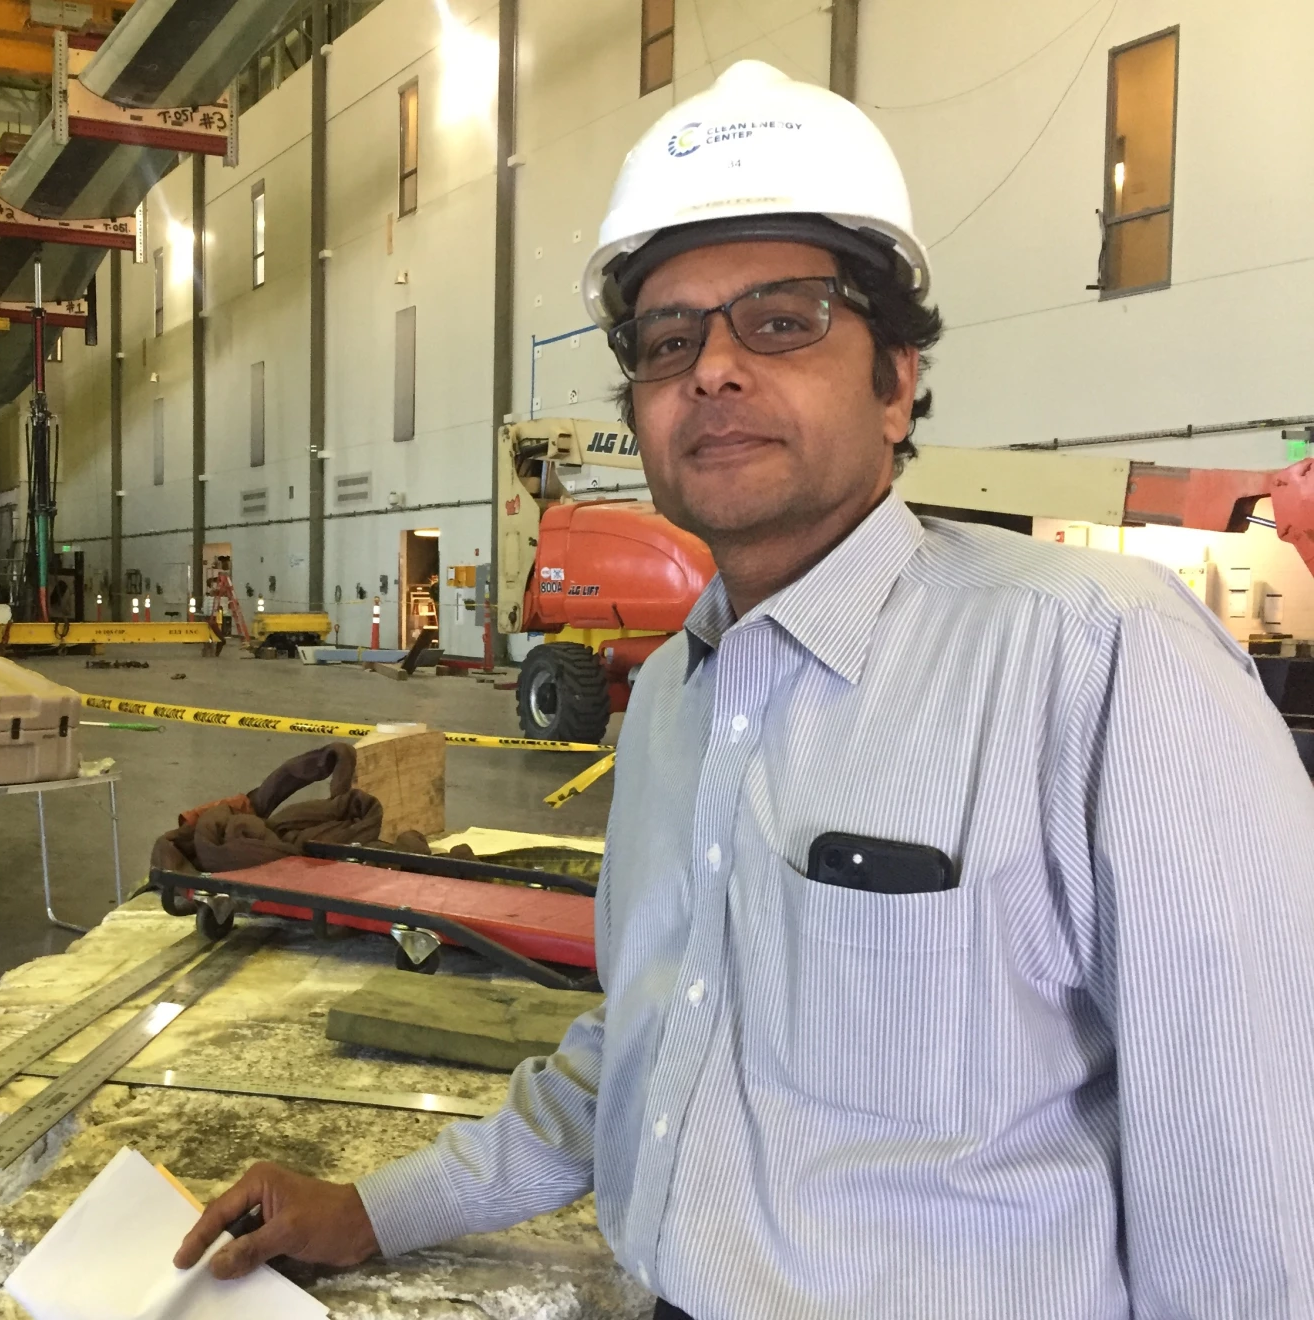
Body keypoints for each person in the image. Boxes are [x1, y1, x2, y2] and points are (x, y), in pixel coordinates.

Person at [174, 61, 1314, 1318]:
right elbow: (645, 1048)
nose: (710, 370)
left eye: (781, 320)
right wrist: (378, 1208)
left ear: (895, 383)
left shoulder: (1100, 663)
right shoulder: (669, 701)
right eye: (668, 342)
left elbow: (1250, 1198)